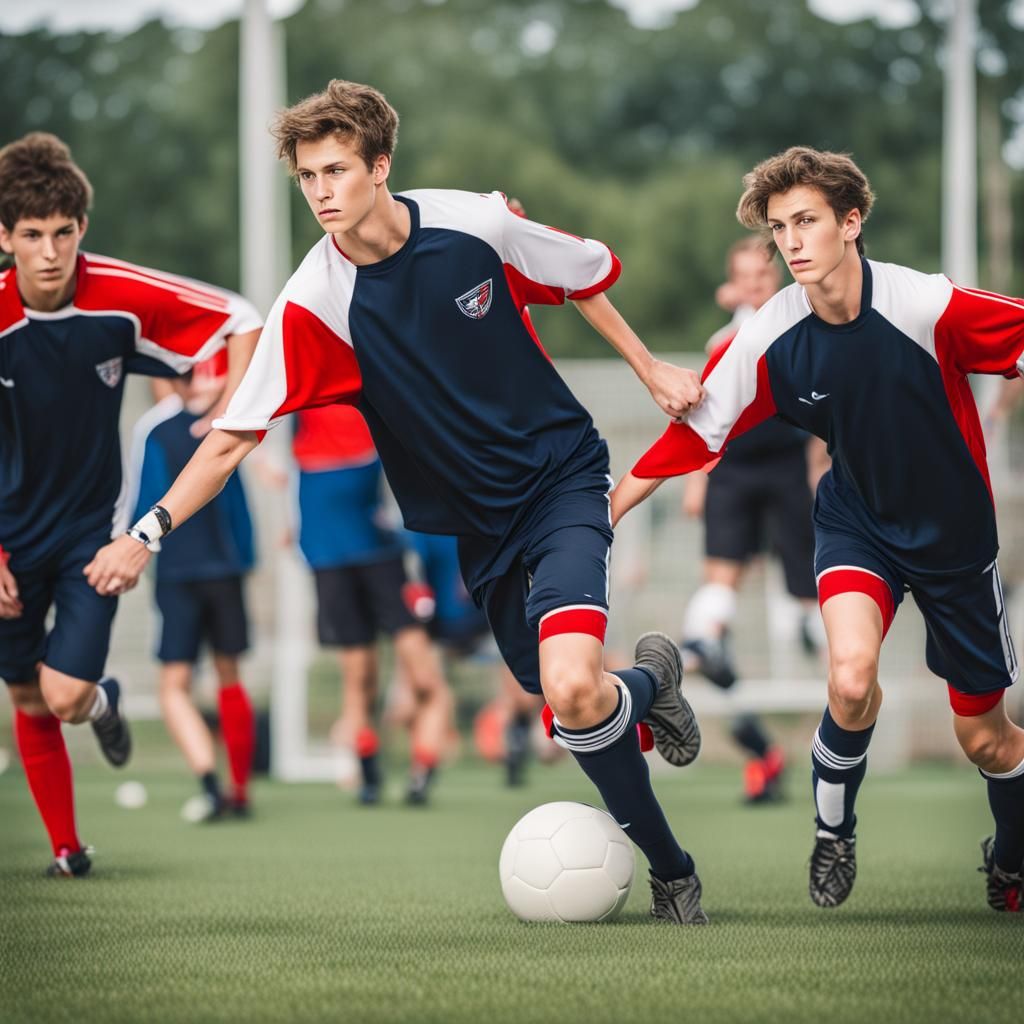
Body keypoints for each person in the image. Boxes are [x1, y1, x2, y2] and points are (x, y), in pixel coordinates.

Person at [86, 79, 710, 923]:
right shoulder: (315, 304)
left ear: (382, 167)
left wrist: (650, 368)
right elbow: (231, 437)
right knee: (570, 696)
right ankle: (650, 681)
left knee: (569, 691)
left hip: (563, 477)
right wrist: (145, 532)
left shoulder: (477, 225)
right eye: (306, 176)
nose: (320, 192)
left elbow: (581, 275)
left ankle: (672, 871)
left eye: (336, 170)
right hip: (476, 525)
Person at [611, 146, 1024, 912]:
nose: (792, 241)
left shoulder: (923, 305)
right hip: (855, 524)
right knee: (850, 675)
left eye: (807, 221)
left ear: (851, 222)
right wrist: (605, 512)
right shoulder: (771, 331)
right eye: (779, 228)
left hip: (955, 537)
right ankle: (834, 829)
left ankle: (1011, 856)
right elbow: (697, 434)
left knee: (988, 740)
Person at [0, 133, 260, 876]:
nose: (49, 253)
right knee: (26, 695)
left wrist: (230, 416)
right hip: (9, 542)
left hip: (93, 537)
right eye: (30, 236)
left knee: (65, 693)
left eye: (62, 233)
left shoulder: (118, 295)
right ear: (4, 236)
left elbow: (240, 317)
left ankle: (98, 701)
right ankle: (67, 850)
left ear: (81, 228)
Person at [679, 236, 828, 803]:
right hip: (735, 472)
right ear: (733, 285)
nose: (754, 286)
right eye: (743, 277)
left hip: (790, 472)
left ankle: (831, 727)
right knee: (715, 598)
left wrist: (820, 470)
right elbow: (704, 418)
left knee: (809, 609)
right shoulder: (723, 342)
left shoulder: (804, 326)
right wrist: (697, 481)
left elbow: (820, 410)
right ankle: (705, 653)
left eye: (761, 277)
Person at [290, 402, 453, 805]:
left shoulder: (373, 391)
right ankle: (369, 774)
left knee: (426, 680)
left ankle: (422, 774)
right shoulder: (301, 399)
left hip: (383, 558)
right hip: (328, 557)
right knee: (359, 679)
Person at [128, 351, 256, 822]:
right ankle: (239, 791)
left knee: (174, 685)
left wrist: (130, 547)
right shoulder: (228, 428)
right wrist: (247, 558)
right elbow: (239, 510)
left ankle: (208, 781)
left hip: (179, 572)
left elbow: (142, 503)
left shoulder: (156, 431)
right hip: (225, 571)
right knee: (229, 677)